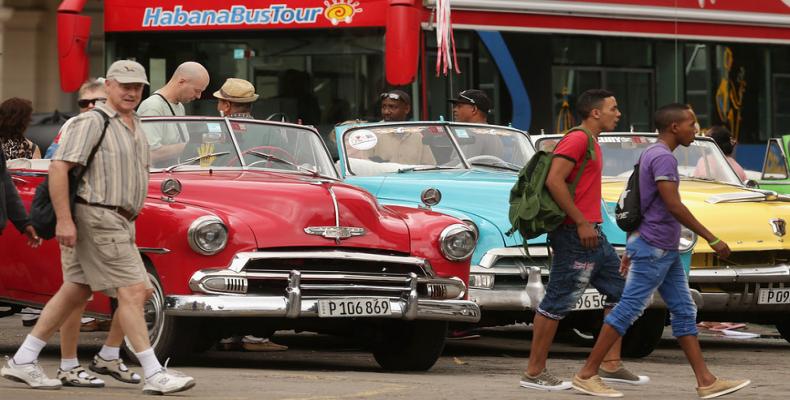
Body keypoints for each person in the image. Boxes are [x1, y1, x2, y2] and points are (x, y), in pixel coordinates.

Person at [0, 60, 195, 395]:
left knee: (76, 289)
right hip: (98, 216)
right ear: (109, 87)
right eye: (124, 85)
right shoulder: (91, 122)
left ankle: (25, 359)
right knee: (136, 290)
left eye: (138, 87)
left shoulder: (132, 124)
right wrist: (64, 219)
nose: (132, 92)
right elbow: (59, 169)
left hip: (117, 218)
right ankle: (152, 371)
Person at [571, 104, 751, 398]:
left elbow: (643, 203)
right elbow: (672, 204)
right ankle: (586, 373)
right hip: (655, 247)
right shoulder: (663, 158)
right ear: (674, 128)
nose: (696, 130)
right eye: (691, 124)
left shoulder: (654, 154)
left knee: (683, 310)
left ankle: (706, 381)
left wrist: (633, 244)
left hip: (662, 247)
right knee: (629, 308)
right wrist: (712, 238)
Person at [520, 89, 647, 392]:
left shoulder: (592, 141)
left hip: (592, 233)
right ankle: (534, 372)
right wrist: (579, 222)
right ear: (595, 113)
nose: (618, 114)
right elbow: (554, 179)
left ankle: (610, 364)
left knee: (622, 290)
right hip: (575, 233)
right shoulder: (578, 139)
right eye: (614, 108)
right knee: (557, 302)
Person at [212, 77, 288, 352]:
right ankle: (254, 333)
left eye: (221, 101)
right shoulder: (267, 130)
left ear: (228, 105)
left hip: (227, 202)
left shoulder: (216, 130)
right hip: (263, 205)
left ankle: (234, 333)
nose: (219, 105)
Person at [138, 61, 209, 166]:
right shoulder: (152, 107)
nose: (198, 96)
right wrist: (188, 146)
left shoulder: (179, 106)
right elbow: (150, 153)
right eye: (196, 90)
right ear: (181, 82)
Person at [351, 90, 434, 165]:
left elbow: (429, 166)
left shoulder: (418, 136)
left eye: (392, 107)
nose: (386, 112)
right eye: (384, 107)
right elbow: (365, 167)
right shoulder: (371, 135)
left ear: (407, 109)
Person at [45, 78, 107, 159]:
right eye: (84, 103)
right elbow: (50, 158)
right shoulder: (71, 123)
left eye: (96, 101)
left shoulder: (120, 124)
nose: (90, 106)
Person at [448, 89, 504, 160]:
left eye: (459, 106)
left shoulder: (476, 134)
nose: (454, 109)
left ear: (474, 109)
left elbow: (459, 165)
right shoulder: (490, 133)